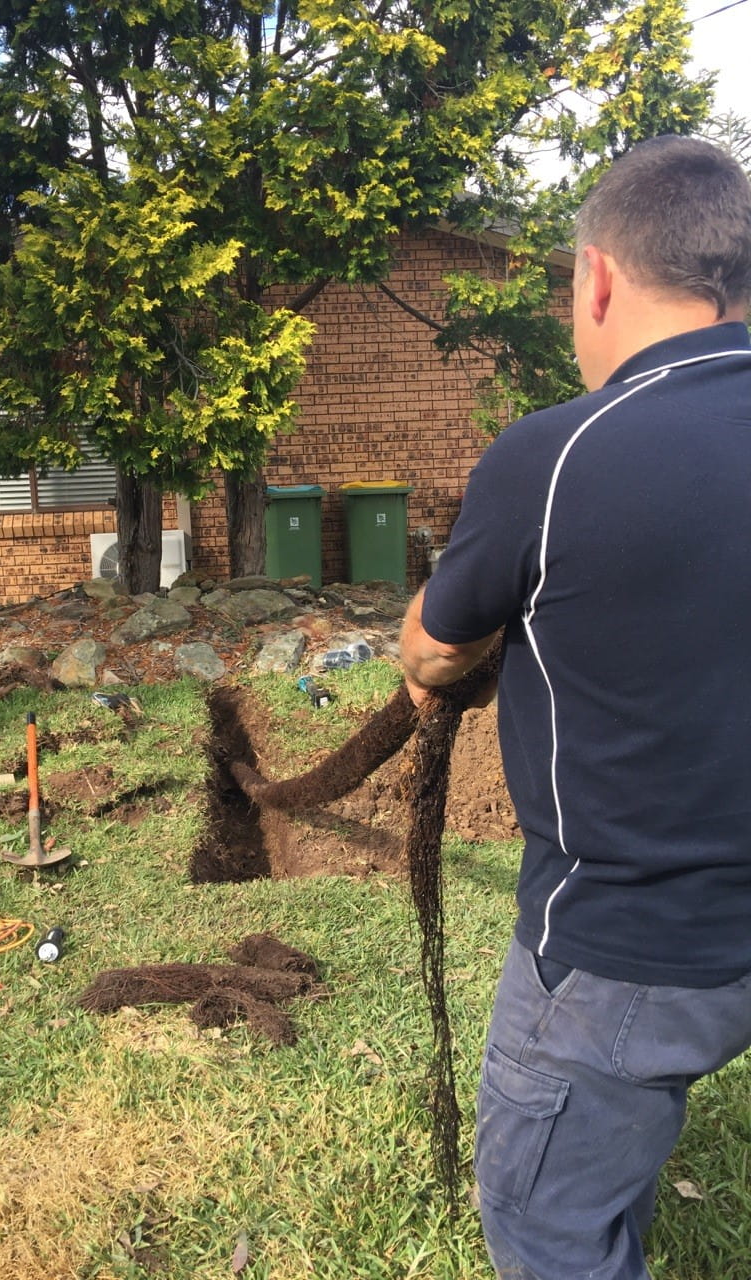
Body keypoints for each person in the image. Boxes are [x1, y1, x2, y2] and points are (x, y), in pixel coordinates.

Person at [399, 134, 751, 1280]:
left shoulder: (556, 453)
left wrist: (434, 663)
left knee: (550, 1221)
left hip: (627, 946)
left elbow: (436, 645)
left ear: (596, 276)